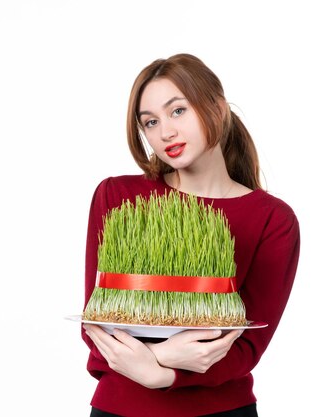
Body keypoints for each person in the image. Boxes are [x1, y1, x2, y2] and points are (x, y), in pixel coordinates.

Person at [81, 53, 300, 417]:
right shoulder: (118, 197)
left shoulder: (272, 219)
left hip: (220, 411)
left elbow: (248, 347)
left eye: (177, 111)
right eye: (150, 122)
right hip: (120, 409)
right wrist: (161, 357)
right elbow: (95, 323)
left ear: (217, 106)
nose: (164, 132)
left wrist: (163, 377)